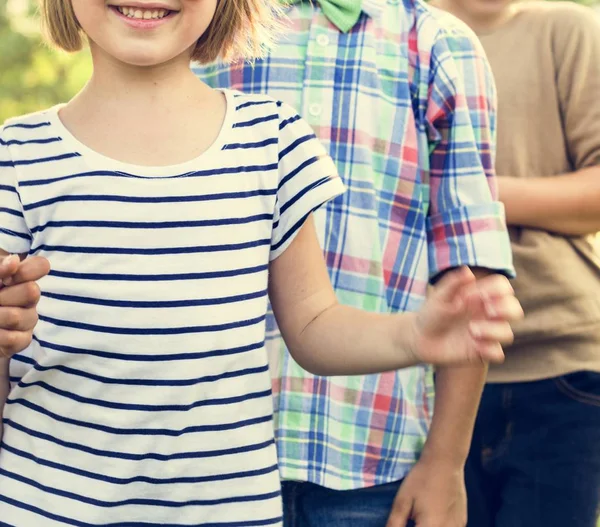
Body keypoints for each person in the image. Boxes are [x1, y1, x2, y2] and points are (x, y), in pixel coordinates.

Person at [0, 0, 524, 525]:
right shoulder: (16, 157)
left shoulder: (272, 141)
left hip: (228, 513)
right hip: (44, 508)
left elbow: (315, 325)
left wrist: (412, 335)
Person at [194, 0, 515, 525]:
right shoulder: (207, 23)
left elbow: (469, 270)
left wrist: (445, 461)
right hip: (210, 451)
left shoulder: (439, 46)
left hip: (371, 456)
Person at [429, 0, 600, 525]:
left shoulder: (568, 30)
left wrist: (468, 192)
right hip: (423, 372)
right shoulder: (405, 33)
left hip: (561, 365)